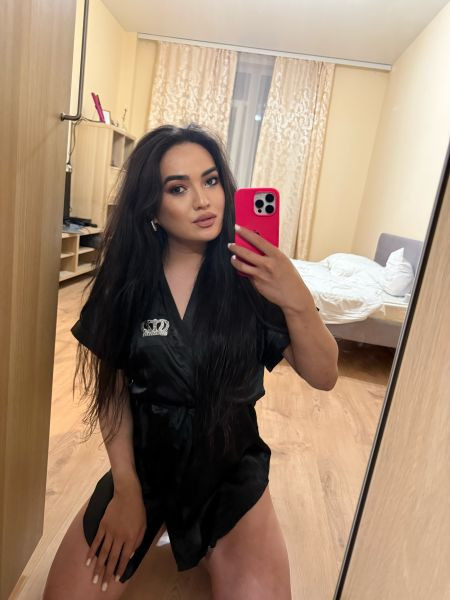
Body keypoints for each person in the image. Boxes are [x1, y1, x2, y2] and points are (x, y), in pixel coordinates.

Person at [44, 124, 338, 600]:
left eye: (211, 180)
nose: (203, 201)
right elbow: (112, 391)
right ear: (152, 207)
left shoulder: (254, 276)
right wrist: (126, 488)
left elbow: (324, 376)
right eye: (178, 188)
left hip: (230, 471)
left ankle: (212, 543)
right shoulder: (127, 282)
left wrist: (298, 301)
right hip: (146, 467)